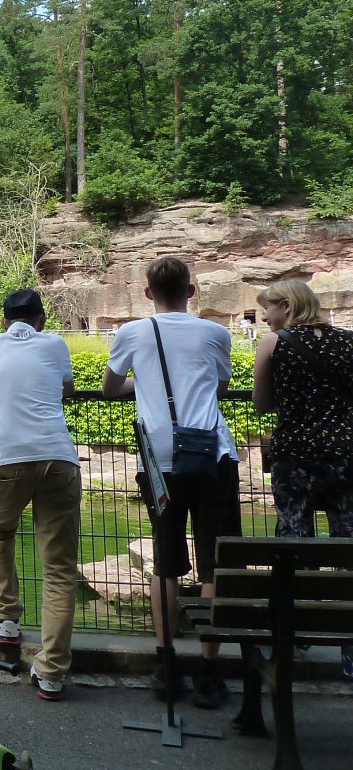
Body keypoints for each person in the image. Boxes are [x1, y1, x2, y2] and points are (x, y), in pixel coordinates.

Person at [103, 256, 240, 709]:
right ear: (192, 291)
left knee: (166, 560)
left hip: (158, 458)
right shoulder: (215, 333)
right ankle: (208, 669)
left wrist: (142, 388)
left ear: (147, 294)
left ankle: (166, 664)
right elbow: (218, 388)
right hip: (210, 456)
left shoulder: (131, 333)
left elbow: (110, 387)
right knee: (214, 560)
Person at [0, 288, 80, 701]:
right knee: (59, 568)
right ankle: (51, 672)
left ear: (5, 321)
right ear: (42, 320)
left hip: (7, 460)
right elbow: (68, 390)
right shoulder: (56, 344)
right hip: (59, 459)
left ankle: (8, 621)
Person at [251, 279, 353, 679]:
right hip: (346, 457)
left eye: (268, 309)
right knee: (347, 546)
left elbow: (261, 404)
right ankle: (349, 649)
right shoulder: (348, 342)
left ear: (287, 307)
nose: (265, 317)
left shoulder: (273, 344)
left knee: (294, 541)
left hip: (296, 459)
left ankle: (298, 633)